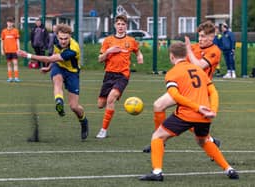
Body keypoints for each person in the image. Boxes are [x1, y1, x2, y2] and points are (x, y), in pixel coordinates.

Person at [139, 42, 239, 182]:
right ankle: (229, 169)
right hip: (205, 116)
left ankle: (157, 172)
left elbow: (175, 96)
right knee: (203, 141)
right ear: (186, 55)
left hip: (186, 114)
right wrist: (213, 110)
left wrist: (196, 107)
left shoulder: (172, 73)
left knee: (157, 136)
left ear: (171, 56)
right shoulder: (199, 70)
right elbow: (213, 92)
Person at [143, 21, 221, 153]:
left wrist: (189, 50)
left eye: (203, 36)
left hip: (198, 91)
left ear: (211, 37)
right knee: (158, 105)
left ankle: (210, 142)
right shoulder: (194, 47)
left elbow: (199, 66)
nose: (200, 39)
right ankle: (159, 140)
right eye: (199, 36)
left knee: (189, 119)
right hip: (183, 88)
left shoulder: (214, 51)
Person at [17, 24, 88, 140]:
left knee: (74, 107)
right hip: (58, 67)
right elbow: (54, 55)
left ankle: (84, 121)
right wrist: (49, 68)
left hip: (72, 72)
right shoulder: (55, 40)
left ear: (70, 36)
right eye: (61, 38)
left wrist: (28, 55)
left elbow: (50, 58)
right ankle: (59, 102)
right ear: (57, 36)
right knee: (57, 81)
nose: (63, 41)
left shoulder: (73, 50)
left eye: (66, 39)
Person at [95, 14, 143, 139]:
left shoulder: (131, 41)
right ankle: (109, 108)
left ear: (126, 26)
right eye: (118, 24)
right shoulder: (108, 40)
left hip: (123, 75)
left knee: (111, 98)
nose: (121, 26)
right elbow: (100, 59)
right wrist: (109, 51)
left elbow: (137, 50)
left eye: (123, 24)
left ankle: (103, 130)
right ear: (115, 25)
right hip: (109, 74)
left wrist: (139, 56)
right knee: (101, 104)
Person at [1, 16, 21, 82]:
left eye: (11, 22)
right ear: (7, 23)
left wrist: (18, 49)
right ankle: (10, 77)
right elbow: (2, 41)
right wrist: (2, 49)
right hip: (7, 50)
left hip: (14, 50)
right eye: (8, 22)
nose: (9, 24)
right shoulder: (4, 31)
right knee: (9, 64)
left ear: (13, 23)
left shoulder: (15, 31)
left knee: (15, 63)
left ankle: (16, 77)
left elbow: (17, 41)